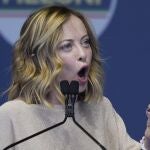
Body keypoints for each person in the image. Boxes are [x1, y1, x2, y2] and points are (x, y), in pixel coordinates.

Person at [0, 5, 149, 150]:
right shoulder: (11, 117)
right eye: (67, 46)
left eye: (85, 42)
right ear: (39, 59)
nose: (83, 54)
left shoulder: (101, 109)